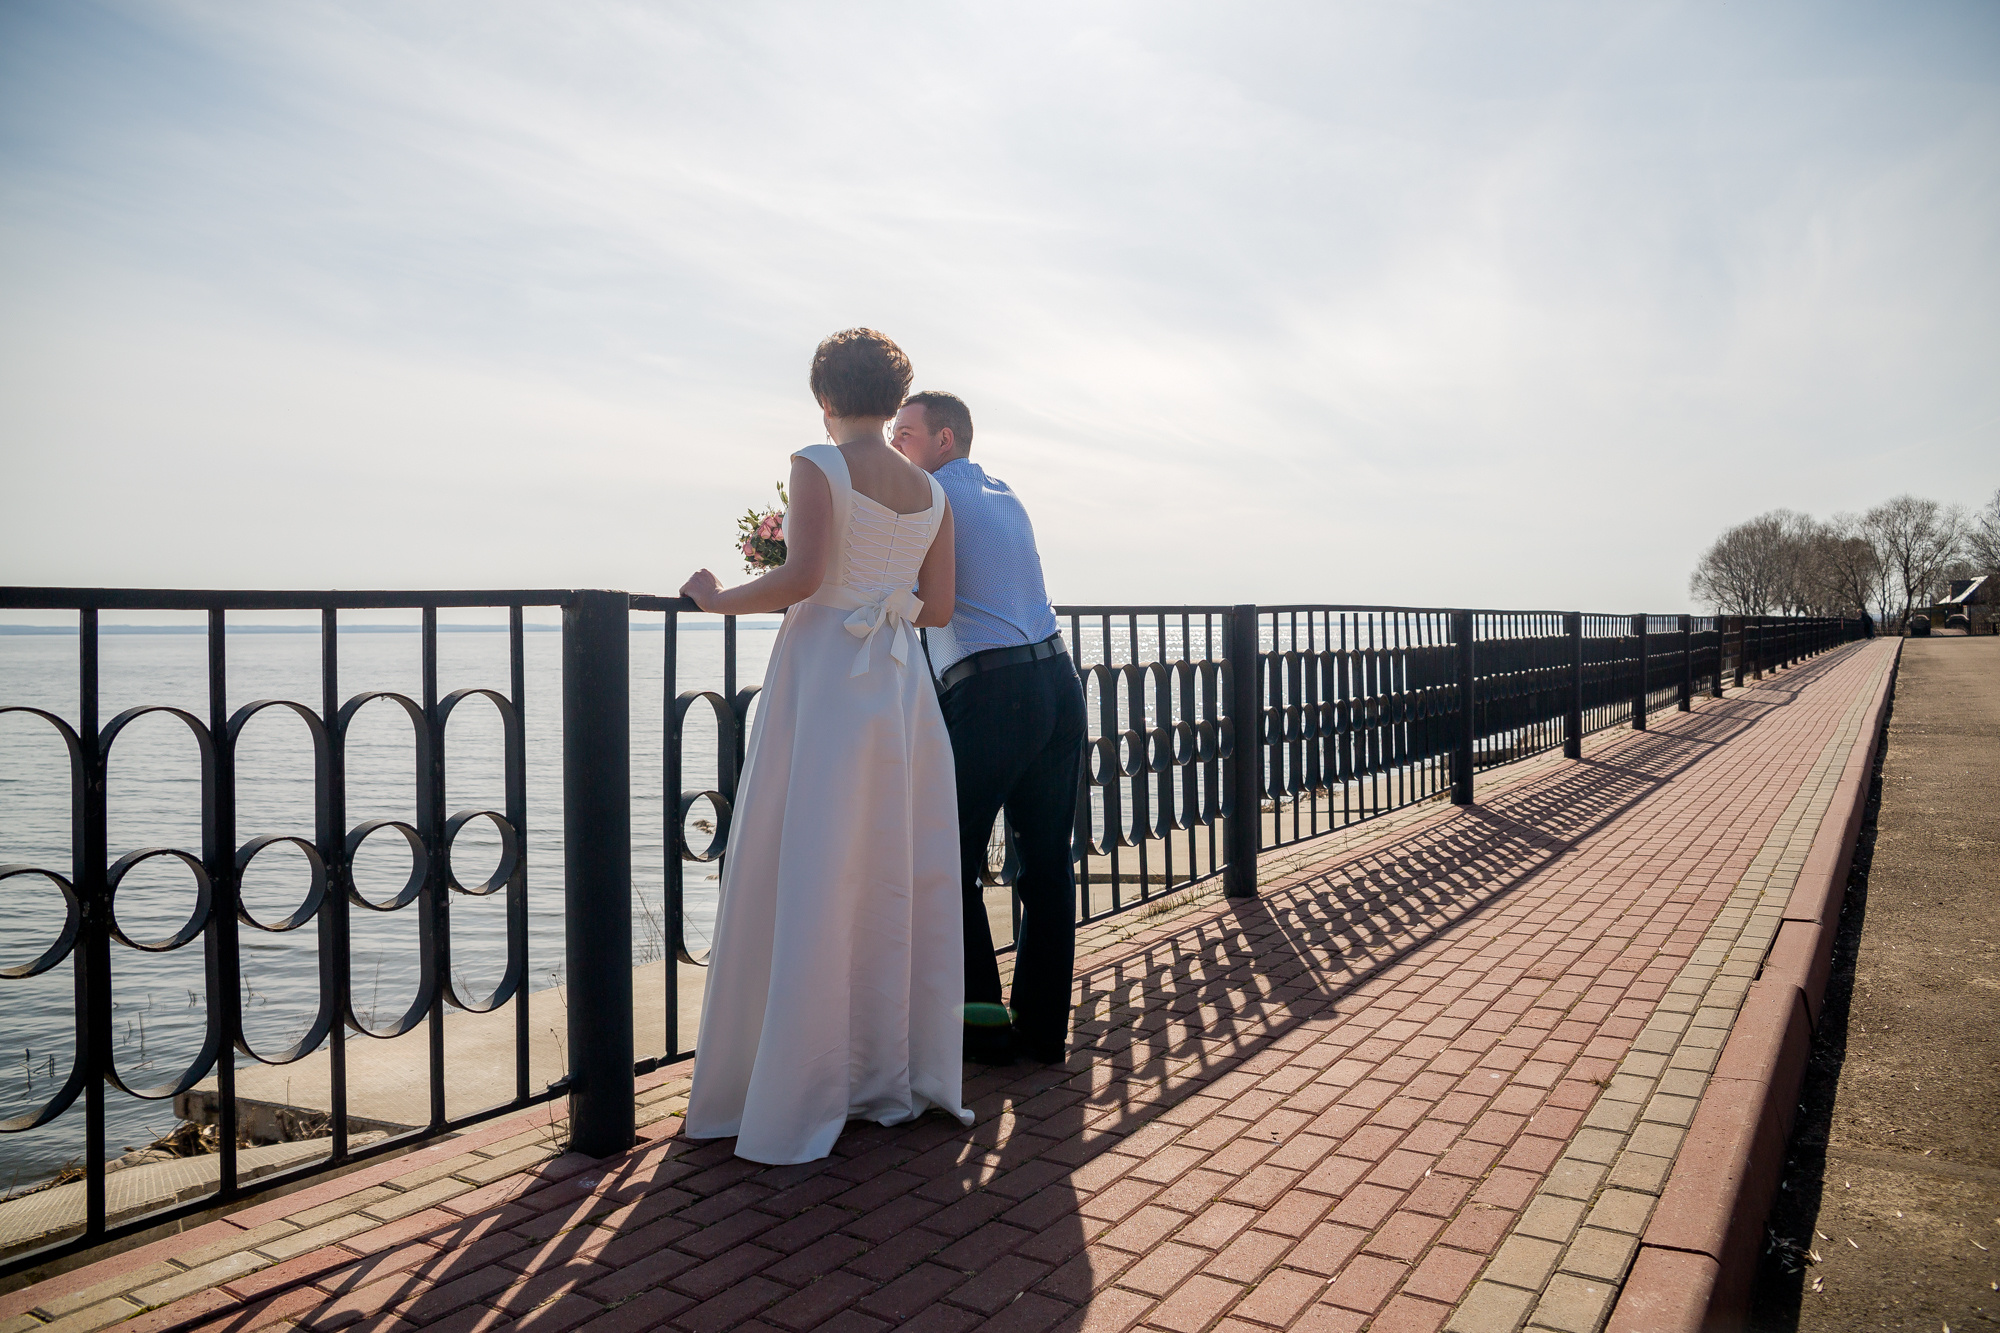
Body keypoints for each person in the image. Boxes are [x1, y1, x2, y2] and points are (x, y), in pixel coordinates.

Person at [678, 329, 971, 1164]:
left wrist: (716, 598)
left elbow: (803, 576)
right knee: (887, 869)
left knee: (807, 861)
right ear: (896, 392)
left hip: (824, 680)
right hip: (898, 689)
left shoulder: (819, 461)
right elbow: (940, 607)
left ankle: (792, 1085)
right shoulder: (932, 491)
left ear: (823, 395)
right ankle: (883, 1071)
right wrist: (884, 602)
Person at [891, 391, 1085, 1065]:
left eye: (905, 434)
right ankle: (1041, 1031)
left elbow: (892, 585)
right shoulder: (1005, 494)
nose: (895, 447)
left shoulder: (929, 498)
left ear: (944, 439)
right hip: (1060, 681)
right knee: (1047, 865)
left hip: (996, 693)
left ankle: (982, 1031)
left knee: (947, 857)